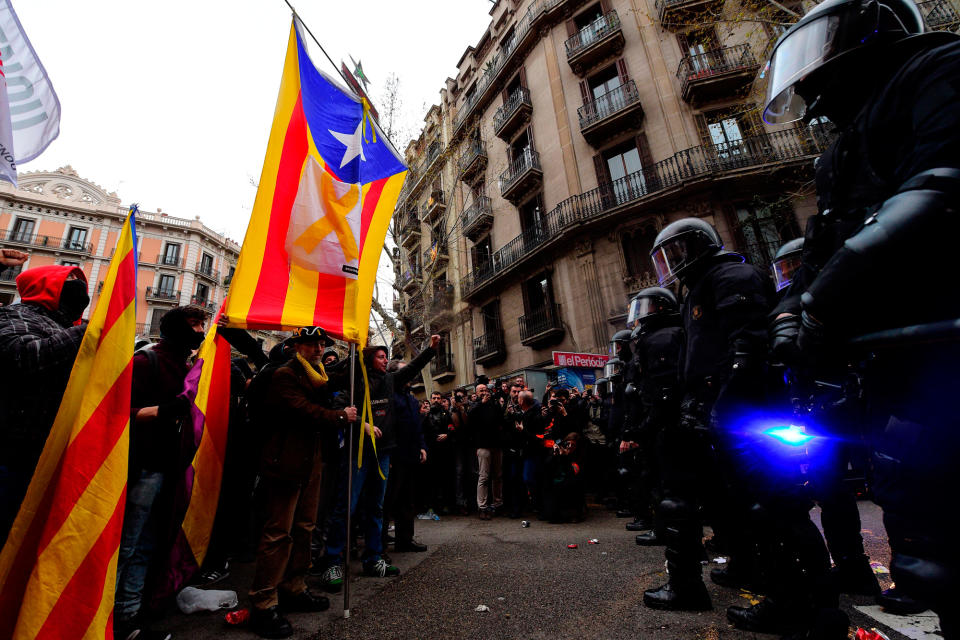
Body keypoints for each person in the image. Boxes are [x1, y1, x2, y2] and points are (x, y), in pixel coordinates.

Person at [763, 0, 960, 634]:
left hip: (944, 337)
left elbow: (940, 186)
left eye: (822, 56)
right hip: (893, 361)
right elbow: (819, 247)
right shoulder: (838, 154)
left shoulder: (939, 69)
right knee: (925, 548)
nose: (814, 84)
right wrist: (790, 318)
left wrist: (824, 303)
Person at [248, 326, 356, 639]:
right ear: (298, 346)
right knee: (278, 532)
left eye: (322, 343)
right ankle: (263, 602)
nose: (319, 348)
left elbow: (338, 379)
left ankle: (294, 587)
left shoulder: (318, 374)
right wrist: (340, 417)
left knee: (305, 527)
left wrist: (357, 347)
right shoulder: (286, 374)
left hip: (311, 462)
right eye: (312, 344)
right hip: (285, 462)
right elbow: (302, 410)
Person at [114, 305, 206, 640]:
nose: (199, 330)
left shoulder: (190, 366)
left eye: (202, 324)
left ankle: (130, 615)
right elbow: (120, 410)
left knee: (148, 544)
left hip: (171, 468)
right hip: (144, 468)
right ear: (174, 327)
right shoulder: (145, 361)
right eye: (193, 324)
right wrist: (163, 412)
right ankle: (112, 621)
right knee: (128, 544)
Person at [320, 335, 439, 588]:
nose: (386, 361)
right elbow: (338, 407)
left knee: (376, 506)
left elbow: (411, 369)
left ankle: (373, 558)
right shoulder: (354, 381)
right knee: (346, 508)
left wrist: (430, 350)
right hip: (357, 453)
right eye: (381, 356)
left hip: (383, 453)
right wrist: (360, 424)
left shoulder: (389, 380)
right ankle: (332, 561)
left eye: (386, 357)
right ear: (369, 358)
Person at [0, 264, 89, 544]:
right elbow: (25, 356)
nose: (79, 287)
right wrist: (84, 333)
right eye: (70, 280)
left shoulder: (62, 326)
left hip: (42, 452)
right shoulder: (14, 315)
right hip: (9, 452)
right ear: (45, 285)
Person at [624, 287, 684, 548]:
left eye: (645, 307)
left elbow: (663, 390)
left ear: (661, 307)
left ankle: (673, 539)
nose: (640, 315)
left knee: (668, 485)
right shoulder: (670, 335)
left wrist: (647, 425)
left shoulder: (662, 338)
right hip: (663, 421)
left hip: (665, 423)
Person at [381, 360, 428, 554]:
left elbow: (416, 427)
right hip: (395, 456)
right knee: (388, 501)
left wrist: (422, 447)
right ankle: (379, 545)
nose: (410, 376)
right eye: (405, 372)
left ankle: (405, 539)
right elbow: (387, 427)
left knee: (408, 500)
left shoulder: (411, 399)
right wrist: (388, 456)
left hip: (411, 456)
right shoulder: (389, 397)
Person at [468, 383, 504, 520]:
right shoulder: (474, 405)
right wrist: (481, 404)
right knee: (483, 477)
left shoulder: (493, 404)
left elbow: (501, 420)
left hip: (496, 445)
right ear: (476, 393)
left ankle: (497, 504)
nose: (484, 392)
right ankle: (482, 507)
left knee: (498, 476)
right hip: (483, 446)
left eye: (485, 390)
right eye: (480, 390)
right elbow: (470, 419)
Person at [423, 390, 455, 515]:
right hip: (431, 451)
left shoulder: (446, 413)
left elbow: (452, 427)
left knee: (445, 479)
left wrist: (447, 435)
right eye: (434, 398)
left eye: (438, 398)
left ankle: (445, 505)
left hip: (444, 451)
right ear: (430, 400)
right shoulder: (426, 415)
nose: (436, 400)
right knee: (431, 480)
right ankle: (431, 505)